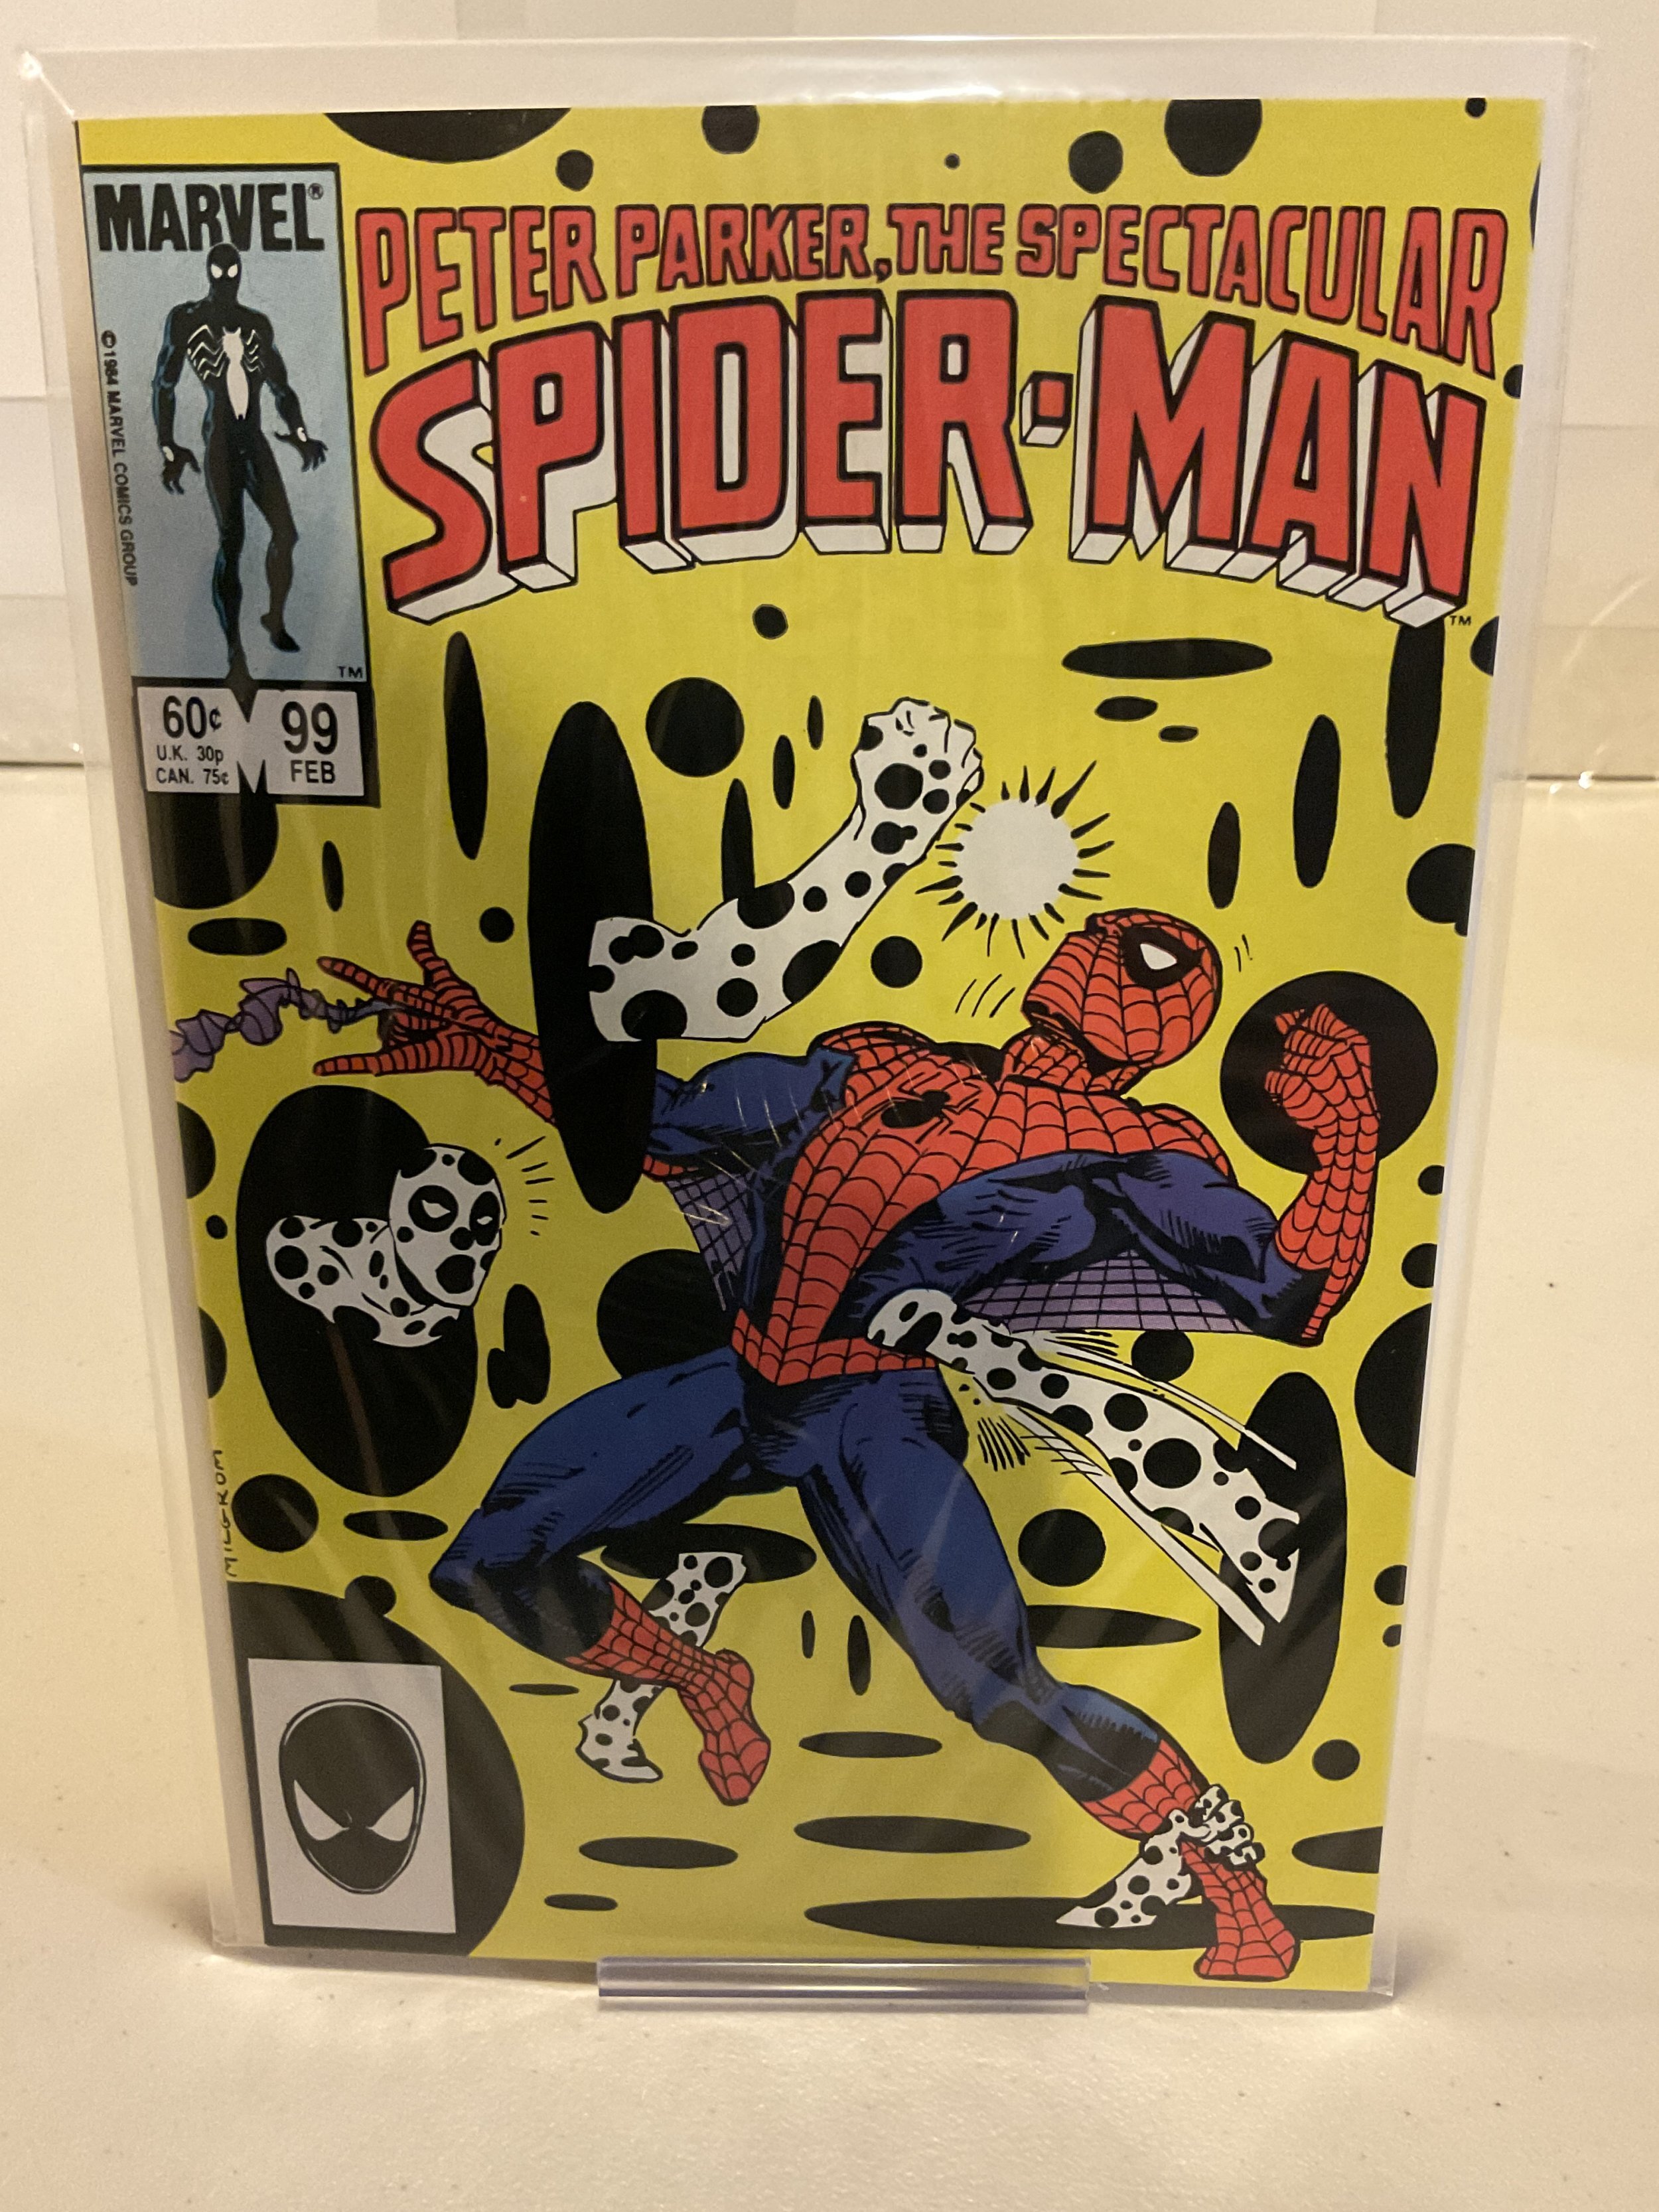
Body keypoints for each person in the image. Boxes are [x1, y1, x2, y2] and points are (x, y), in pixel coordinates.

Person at [153, 243, 326, 705]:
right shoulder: (186, 318)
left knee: (286, 532)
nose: (226, 282)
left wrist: (301, 433)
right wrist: (168, 444)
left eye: (232, 274)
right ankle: (235, 654)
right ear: (209, 274)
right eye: (220, 273)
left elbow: (281, 387)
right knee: (232, 540)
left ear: (241, 274)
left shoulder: (256, 324)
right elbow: (165, 382)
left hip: (254, 440)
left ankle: (275, 618)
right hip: (221, 444)